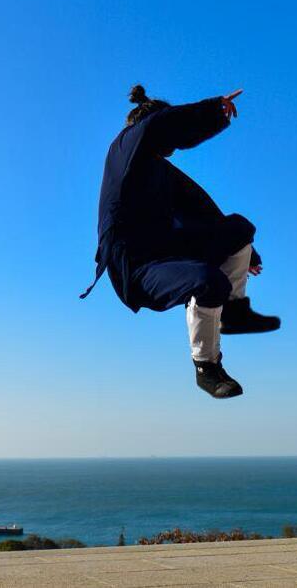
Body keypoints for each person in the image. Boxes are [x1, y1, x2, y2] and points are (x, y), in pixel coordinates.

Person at [81, 85, 280, 399]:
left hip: (169, 254)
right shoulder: (125, 146)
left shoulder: (161, 170)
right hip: (137, 269)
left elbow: (201, 207)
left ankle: (234, 311)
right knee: (208, 282)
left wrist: (246, 253)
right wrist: (214, 110)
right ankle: (207, 367)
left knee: (239, 227)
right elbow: (162, 125)